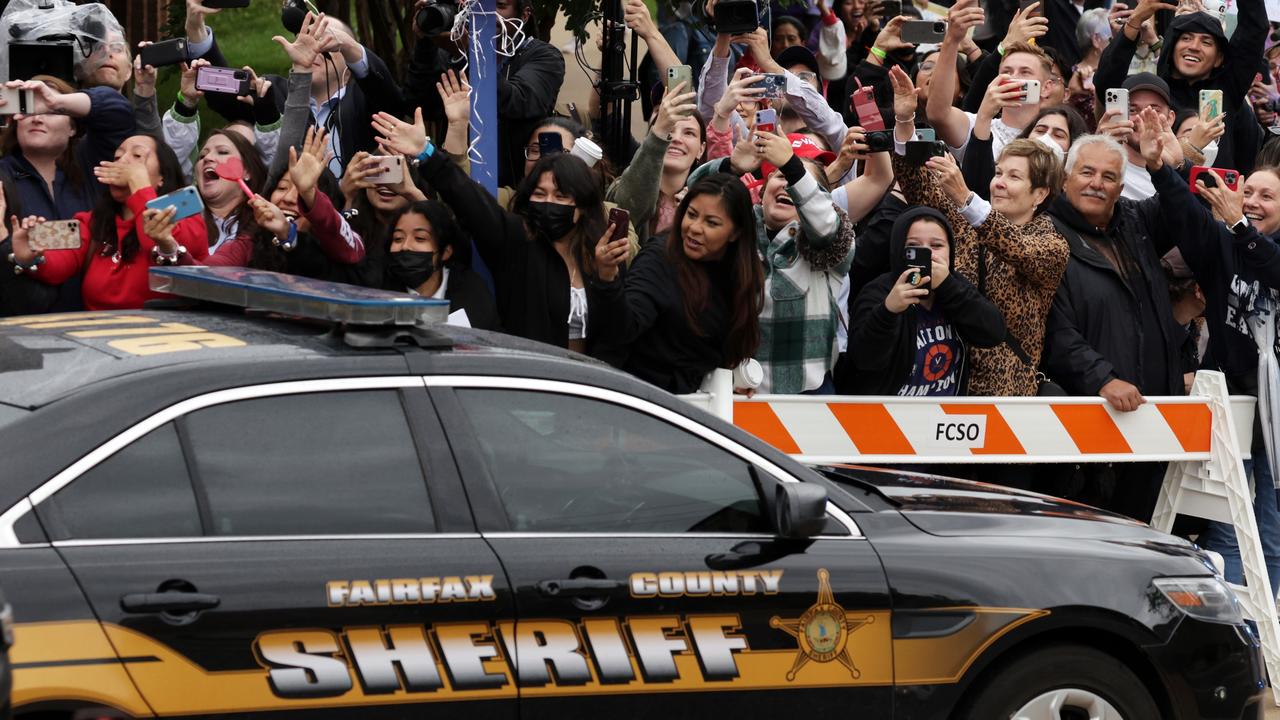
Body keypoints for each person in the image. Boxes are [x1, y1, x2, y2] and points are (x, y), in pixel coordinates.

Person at [1137, 113, 1280, 595]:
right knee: (1227, 528)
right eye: (1250, 192)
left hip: (1277, 409)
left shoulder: (1250, 237)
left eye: (1267, 196)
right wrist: (1166, 170)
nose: (1254, 202)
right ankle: (1237, 633)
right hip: (1232, 400)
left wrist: (1241, 225)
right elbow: (1186, 219)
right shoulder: (1224, 242)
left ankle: (1269, 630)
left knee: (1274, 530)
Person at [886, 66, 1071, 397]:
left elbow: (1014, 247)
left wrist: (967, 198)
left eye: (1014, 177)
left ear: (1040, 194)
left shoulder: (1050, 244)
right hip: (942, 381)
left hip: (1005, 396)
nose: (998, 182)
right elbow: (917, 186)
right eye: (999, 172)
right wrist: (904, 123)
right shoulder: (966, 220)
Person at [373, 109, 617, 352]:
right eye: (539, 194)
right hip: (533, 380)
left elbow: (619, 331)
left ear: (582, 205)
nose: (548, 202)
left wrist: (608, 279)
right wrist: (426, 154)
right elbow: (468, 198)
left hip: (593, 384)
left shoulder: (600, 252)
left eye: (560, 196)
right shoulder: (518, 241)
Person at [1044, 130, 1187, 520]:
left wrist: (1167, 167)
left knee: (1143, 535)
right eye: (1087, 172)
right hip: (1088, 422)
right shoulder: (1044, 237)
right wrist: (1102, 379)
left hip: (1154, 415)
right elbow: (1055, 331)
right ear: (1065, 178)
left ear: (1121, 187)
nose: (1096, 183)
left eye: (1108, 177)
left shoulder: (1137, 222)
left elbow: (1186, 212)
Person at [589, 173, 765, 394]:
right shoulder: (660, 258)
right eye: (691, 215)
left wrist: (735, 379)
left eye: (711, 222)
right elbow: (622, 329)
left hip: (696, 406)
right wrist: (607, 276)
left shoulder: (743, 272)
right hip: (635, 399)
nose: (694, 228)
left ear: (735, 233)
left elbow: (735, 340)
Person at [185, 4, 405, 178]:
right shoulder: (273, 92)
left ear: (347, 58)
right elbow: (223, 98)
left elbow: (391, 100)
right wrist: (196, 32)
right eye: (306, 38)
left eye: (325, 40)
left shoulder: (366, 98)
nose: (314, 47)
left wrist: (350, 46)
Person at [8, 135, 209, 310]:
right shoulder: (91, 220)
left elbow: (156, 242)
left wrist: (138, 184)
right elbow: (58, 264)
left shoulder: (186, 216)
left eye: (137, 156)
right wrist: (30, 256)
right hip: (100, 342)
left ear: (162, 178)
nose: (122, 161)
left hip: (167, 344)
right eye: (117, 157)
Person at [846, 207, 1006, 395]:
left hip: (942, 418)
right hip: (888, 417)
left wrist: (948, 287)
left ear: (950, 252)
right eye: (914, 247)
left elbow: (993, 333)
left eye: (936, 246)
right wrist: (888, 311)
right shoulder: (878, 292)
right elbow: (865, 359)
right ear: (899, 251)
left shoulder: (955, 285)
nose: (928, 254)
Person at [1093, 0, 1267, 171]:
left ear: (1219, 58)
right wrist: (1136, 20)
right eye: (1185, 38)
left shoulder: (1228, 88)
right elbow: (1106, 83)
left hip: (1216, 196)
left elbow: (1254, 29)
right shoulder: (1154, 92)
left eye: (1206, 42)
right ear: (1170, 48)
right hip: (1158, 194)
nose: (1194, 47)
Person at [405, 0, 565, 186]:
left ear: (524, 15)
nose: (485, 14)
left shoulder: (544, 56)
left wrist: (473, 53)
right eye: (477, 5)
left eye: (499, 5)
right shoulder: (455, 55)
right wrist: (425, 42)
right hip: (456, 184)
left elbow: (520, 102)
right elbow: (418, 104)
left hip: (513, 191)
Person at [196, 128, 365, 278]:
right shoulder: (251, 241)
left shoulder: (345, 244)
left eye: (301, 193)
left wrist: (306, 199)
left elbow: (336, 238)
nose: (289, 198)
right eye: (282, 187)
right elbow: (203, 275)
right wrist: (172, 251)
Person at [385, 201, 501, 331]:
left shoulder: (472, 292)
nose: (405, 246)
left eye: (420, 238)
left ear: (445, 252)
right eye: (398, 238)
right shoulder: (377, 289)